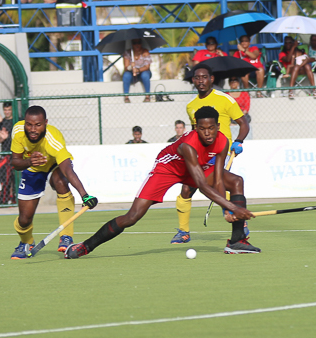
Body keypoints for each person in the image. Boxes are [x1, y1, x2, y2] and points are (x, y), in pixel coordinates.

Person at [64, 105, 258, 260]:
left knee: (235, 181)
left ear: (218, 127)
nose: (207, 133)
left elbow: (217, 179)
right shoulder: (188, 145)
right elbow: (204, 187)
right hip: (167, 169)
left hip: (196, 168)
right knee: (133, 216)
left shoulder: (223, 141)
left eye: (211, 128)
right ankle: (86, 246)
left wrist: (228, 209)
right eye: (202, 129)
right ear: (195, 128)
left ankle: (237, 241)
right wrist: (232, 206)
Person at [171, 63, 249, 244]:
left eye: (204, 77)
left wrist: (239, 141)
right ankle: (183, 232)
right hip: (199, 153)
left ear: (212, 79)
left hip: (220, 152)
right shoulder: (191, 106)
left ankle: (239, 222)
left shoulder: (225, 100)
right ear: (193, 80)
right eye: (197, 78)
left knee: (220, 184)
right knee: (186, 189)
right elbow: (194, 133)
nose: (201, 81)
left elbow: (243, 123)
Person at [9, 106, 98, 259]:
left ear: (45, 123)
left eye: (38, 125)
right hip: (32, 168)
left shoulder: (53, 139)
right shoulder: (18, 131)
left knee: (61, 181)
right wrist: (30, 161)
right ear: (24, 123)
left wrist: (84, 195)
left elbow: (68, 171)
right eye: (29, 124)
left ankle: (66, 236)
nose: (33, 129)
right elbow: (15, 163)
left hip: (53, 165)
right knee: (24, 220)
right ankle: (26, 242)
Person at [0, 102, 16, 203]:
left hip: (16, 153)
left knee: (15, 178)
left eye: (9, 110)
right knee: (5, 178)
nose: (7, 112)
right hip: (5, 154)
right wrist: (2, 138)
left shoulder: (17, 121)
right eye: (5, 110)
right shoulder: (1, 122)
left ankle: (14, 199)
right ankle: (6, 198)